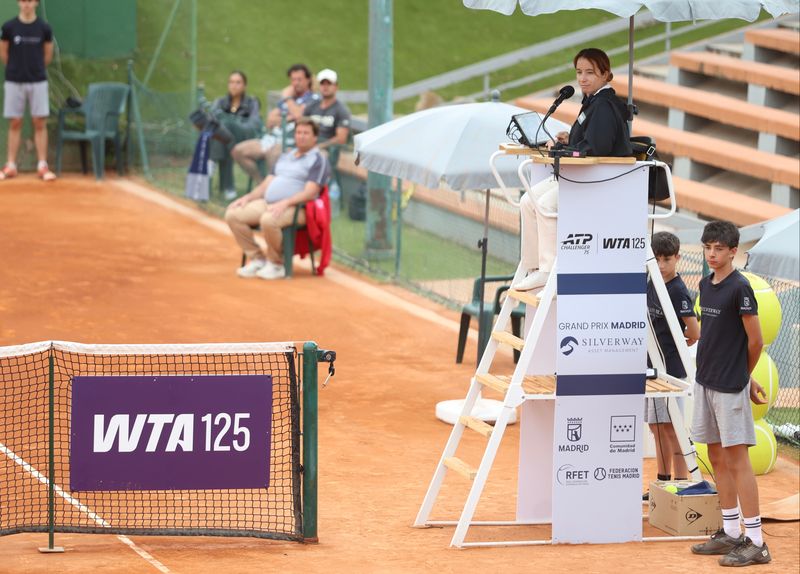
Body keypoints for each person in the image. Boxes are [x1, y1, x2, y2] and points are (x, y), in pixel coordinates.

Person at [513, 48, 631, 291]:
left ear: (605, 74)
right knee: (528, 200)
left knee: (544, 204)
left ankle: (547, 270)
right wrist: (569, 141)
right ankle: (533, 266)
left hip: (597, 180)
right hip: (579, 176)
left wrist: (566, 148)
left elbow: (598, 147)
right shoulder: (593, 101)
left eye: (590, 72)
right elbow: (591, 139)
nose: (582, 78)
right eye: (579, 72)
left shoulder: (604, 105)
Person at [690, 220, 770, 567]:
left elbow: (755, 341)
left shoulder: (740, 288)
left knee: (737, 461)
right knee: (716, 457)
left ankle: (756, 540)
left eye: (719, 248)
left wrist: (743, 377)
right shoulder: (705, 284)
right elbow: (716, 337)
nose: (712, 253)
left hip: (729, 386)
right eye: (707, 247)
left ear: (733, 251)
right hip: (705, 381)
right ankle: (730, 531)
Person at [225, 117, 328, 280]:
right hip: (269, 203)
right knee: (233, 214)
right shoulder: (286, 156)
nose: (301, 136)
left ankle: (277, 263)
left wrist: (285, 202)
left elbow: (310, 192)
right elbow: (266, 184)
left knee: (268, 219)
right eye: (299, 132)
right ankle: (258, 259)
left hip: (298, 208)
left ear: (315, 137)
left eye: (306, 133)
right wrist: (248, 197)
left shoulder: (318, 159)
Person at [643, 232, 700, 497]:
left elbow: (695, 331)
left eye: (667, 259)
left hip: (671, 370)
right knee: (656, 427)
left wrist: (681, 344)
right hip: (651, 366)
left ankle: (681, 483)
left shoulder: (678, 290)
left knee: (672, 427)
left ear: (678, 258)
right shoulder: (651, 280)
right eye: (658, 259)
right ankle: (663, 482)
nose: (662, 264)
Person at [231, 63, 320, 184]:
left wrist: (288, 101)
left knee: (273, 154)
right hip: (270, 138)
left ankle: (273, 190)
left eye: (299, 79)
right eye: (293, 79)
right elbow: (270, 121)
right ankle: (261, 183)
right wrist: (289, 115)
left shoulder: (313, 99)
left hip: (290, 142)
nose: (296, 83)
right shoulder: (289, 99)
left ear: (308, 80)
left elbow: (299, 117)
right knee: (238, 151)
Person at [0, 0, 55, 181]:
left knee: (39, 122)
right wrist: (16, 69)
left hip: (38, 81)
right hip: (14, 81)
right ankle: (11, 165)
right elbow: (4, 53)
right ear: (18, 3)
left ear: (36, 3)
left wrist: (34, 69)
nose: (26, 4)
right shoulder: (8, 27)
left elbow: (47, 55)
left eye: (30, 1)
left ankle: (42, 165)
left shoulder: (44, 28)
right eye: (23, 0)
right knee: (15, 122)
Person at [201, 70, 263, 200]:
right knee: (224, 137)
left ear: (245, 85)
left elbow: (254, 125)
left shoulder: (252, 103)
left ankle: (211, 164)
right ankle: (228, 188)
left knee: (225, 125)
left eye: (238, 82)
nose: (234, 86)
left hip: (244, 138)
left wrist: (235, 124)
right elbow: (211, 121)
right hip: (227, 143)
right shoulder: (220, 101)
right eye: (231, 82)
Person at [302, 69, 351, 153]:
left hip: (328, 152)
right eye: (322, 84)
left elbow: (341, 139)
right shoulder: (311, 105)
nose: (325, 87)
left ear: (336, 87)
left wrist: (319, 147)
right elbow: (301, 125)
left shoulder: (341, 110)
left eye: (329, 83)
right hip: (307, 146)